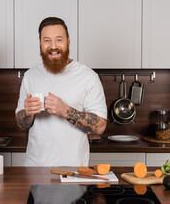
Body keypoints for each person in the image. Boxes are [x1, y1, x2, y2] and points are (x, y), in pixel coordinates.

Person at [15, 17, 107, 166]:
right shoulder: (30, 76)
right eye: (47, 40)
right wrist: (27, 113)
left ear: (68, 41)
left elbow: (100, 126)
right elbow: (21, 123)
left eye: (59, 40)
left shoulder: (88, 76)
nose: (53, 46)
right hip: (35, 169)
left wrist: (64, 110)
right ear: (40, 43)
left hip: (74, 170)